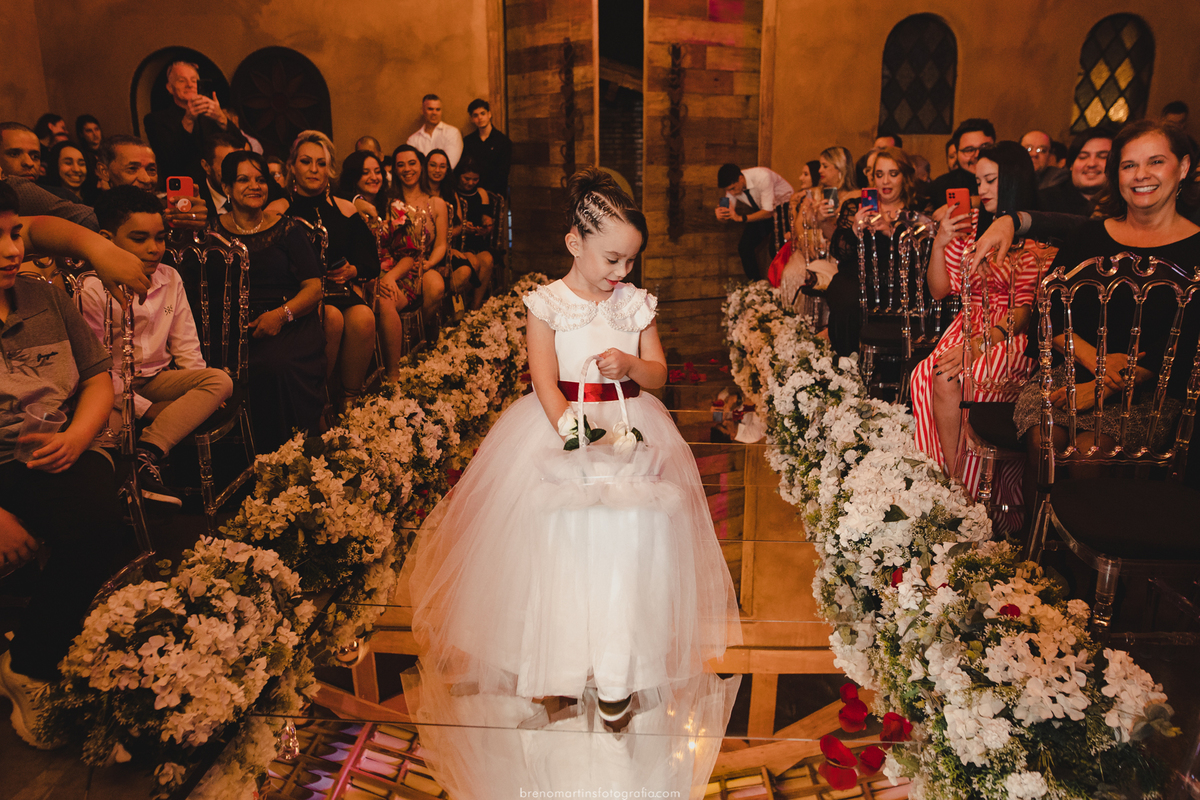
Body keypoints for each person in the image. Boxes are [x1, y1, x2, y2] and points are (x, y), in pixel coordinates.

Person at [399, 166, 741, 797]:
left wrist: (634, 363)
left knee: (629, 545)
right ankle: (556, 661)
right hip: (565, 430)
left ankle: (620, 669)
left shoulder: (635, 303)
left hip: (631, 427)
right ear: (574, 243)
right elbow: (543, 381)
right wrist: (572, 432)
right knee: (561, 545)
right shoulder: (546, 303)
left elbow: (661, 374)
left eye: (630, 260)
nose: (621, 271)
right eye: (612, 257)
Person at [0, 182, 149, 749]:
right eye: (0, 237)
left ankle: (30, 658)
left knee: (96, 526)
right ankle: (38, 662)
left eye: (16, 233)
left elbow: (95, 377)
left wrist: (80, 435)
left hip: (60, 443)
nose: (13, 249)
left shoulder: (41, 295)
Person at [1012, 119, 1200, 516]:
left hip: (1155, 390)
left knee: (1087, 454)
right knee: (1044, 438)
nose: (1141, 175)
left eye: (1156, 162)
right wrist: (1095, 366)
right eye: (1129, 165)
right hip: (1071, 373)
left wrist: (1110, 384)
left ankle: (1083, 568)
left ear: (1183, 167)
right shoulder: (1089, 237)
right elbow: (1047, 317)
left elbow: (1188, 347)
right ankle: (1032, 557)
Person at [911, 142, 1046, 519]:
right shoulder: (973, 230)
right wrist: (940, 242)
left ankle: (963, 488)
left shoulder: (1032, 240)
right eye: (977, 181)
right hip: (968, 323)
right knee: (925, 374)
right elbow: (940, 290)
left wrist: (978, 346)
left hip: (1008, 335)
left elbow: (1024, 311)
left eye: (990, 180)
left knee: (948, 377)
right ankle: (945, 477)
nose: (981, 190)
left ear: (1014, 181)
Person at [79, 186, 232, 507]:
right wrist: (147, 410)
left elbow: (187, 346)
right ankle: (128, 496)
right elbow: (96, 372)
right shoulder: (92, 289)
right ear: (107, 239)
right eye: (139, 239)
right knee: (107, 434)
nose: (154, 248)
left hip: (158, 379)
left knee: (220, 381)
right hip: (110, 389)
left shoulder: (170, 277)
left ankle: (147, 455)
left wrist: (196, 396)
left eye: (160, 238)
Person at [215, 151, 325, 451]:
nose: (254, 186)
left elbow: (314, 287)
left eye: (261, 180)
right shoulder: (212, 231)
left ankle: (297, 453)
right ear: (226, 187)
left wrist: (281, 315)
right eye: (243, 179)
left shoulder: (287, 229)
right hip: (231, 330)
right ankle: (243, 457)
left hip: (289, 322)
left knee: (277, 365)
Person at [282, 130, 379, 408]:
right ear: (292, 167)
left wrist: (352, 270)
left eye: (321, 163)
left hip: (339, 290)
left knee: (363, 316)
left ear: (330, 169)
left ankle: (350, 398)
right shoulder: (281, 208)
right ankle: (317, 402)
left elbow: (370, 263)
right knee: (332, 318)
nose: (314, 169)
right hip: (298, 293)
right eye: (306, 161)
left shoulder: (345, 209)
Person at [826, 147, 918, 357]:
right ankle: (845, 367)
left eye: (893, 174)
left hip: (899, 281)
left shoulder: (915, 210)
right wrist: (854, 229)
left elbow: (922, 257)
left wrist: (891, 232)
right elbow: (838, 251)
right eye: (879, 174)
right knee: (847, 301)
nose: (885, 181)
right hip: (856, 277)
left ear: (904, 177)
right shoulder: (855, 206)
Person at [377, 145, 448, 378]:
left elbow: (441, 244)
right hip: (395, 267)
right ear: (394, 170)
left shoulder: (436, 203)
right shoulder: (388, 203)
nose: (407, 169)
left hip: (425, 264)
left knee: (435, 286)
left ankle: (422, 334)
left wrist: (428, 264)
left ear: (421, 165)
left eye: (412, 163)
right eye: (400, 165)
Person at [142, 60, 229, 185]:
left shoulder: (210, 117)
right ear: (170, 88)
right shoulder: (156, 120)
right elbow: (170, 161)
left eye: (194, 81)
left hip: (218, 186)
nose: (189, 85)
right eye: (182, 81)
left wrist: (221, 118)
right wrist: (188, 120)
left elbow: (242, 146)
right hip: (183, 187)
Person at [2, 122, 97, 229]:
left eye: (35, 156)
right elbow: (89, 219)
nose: (29, 163)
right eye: (14, 154)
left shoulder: (62, 195)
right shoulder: (12, 185)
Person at [714, 162, 793, 280]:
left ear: (740, 178)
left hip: (784, 208)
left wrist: (741, 218)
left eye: (733, 188)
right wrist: (719, 214)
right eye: (728, 190)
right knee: (744, 246)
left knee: (776, 249)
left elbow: (768, 212)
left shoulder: (762, 176)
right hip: (763, 210)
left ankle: (784, 286)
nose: (732, 193)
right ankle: (757, 286)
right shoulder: (731, 189)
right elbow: (725, 211)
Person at [426, 148, 478, 303]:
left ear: (447, 169)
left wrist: (446, 243)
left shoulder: (450, 192)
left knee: (467, 269)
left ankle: (448, 307)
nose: (437, 170)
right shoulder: (420, 192)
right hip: (423, 249)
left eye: (442, 166)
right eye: (433, 165)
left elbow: (459, 225)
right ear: (425, 167)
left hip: (445, 246)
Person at [451, 158, 496, 309]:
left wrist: (486, 226)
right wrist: (463, 227)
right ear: (459, 176)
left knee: (487, 259)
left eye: (475, 179)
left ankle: (475, 306)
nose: (470, 183)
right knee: (473, 263)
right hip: (458, 242)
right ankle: (460, 304)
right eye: (466, 179)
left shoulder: (481, 193)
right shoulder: (452, 192)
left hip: (475, 240)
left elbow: (485, 216)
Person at [1038, 127, 1112, 216]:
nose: (1091, 164)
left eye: (1103, 156)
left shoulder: (1126, 205)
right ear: (1071, 165)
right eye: (1083, 157)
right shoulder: (1044, 202)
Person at [926, 118, 996, 209]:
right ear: (957, 153)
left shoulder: (1008, 180)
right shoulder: (941, 186)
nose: (977, 155)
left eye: (984, 148)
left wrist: (970, 202)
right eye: (969, 150)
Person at [461, 98, 512, 199]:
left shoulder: (503, 141)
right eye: (475, 115)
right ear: (472, 118)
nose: (479, 118)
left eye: (482, 113)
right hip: (472, 193)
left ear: (489, 114)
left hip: (495, 194)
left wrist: (486, 191)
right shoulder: (468, 141)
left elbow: (503, 172)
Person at [198, 128, 249, 217]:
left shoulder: (254, 188)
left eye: (239, 164)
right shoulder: (196, 199)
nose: (236, 171)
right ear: (206, 166)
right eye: (227, 164)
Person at [406, 94, 463, 169]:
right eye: (430, 109)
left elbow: (449, 165)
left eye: (438, 109)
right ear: (422, 111)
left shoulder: (452, 133)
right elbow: (412, 166)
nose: (434, 113)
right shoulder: (412, 140)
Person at [815, 145, 858, 240]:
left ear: (839, 168)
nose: (820, 170)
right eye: (820, 166)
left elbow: (848, 239)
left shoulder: (855, 197)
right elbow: (799, 223)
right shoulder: (816, 193)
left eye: (825, 166)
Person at [339, 150, 388, 224]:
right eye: (365, 173)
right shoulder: (344, 207)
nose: (374, 178)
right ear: (353, 177)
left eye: (377, 172)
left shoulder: (389, 206)